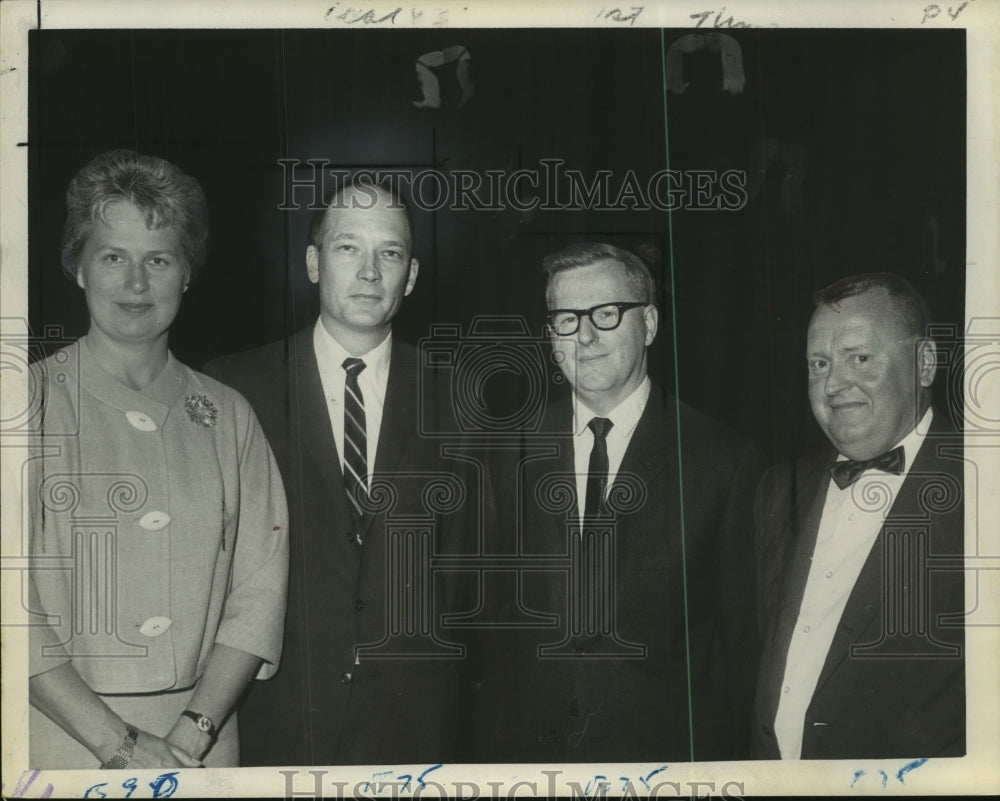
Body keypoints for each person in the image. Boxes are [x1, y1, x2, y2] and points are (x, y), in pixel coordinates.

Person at [27, 149, 289, 769]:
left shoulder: (229, 415)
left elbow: (259, 592)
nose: (136, 284)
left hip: (200, 745)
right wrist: (117, 744)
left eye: (159, 260)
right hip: (62, 744)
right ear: (79, 267)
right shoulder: (24, 406)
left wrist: (194, 732)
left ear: (186, 273)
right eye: (113, 257)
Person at [204, 179, 473, 765]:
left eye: (390, 253)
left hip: (413, 726)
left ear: (412, 276)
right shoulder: (232, 388)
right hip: (275, 720)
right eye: (348, 247)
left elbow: (466, 579)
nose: (370, 272)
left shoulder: (459, 400)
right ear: (313, 263)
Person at [472, 242, 763, 762]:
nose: (584, 336)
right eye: (566, 319)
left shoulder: (723, 462)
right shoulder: (503, 454)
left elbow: (741, 651)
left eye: (605, 314)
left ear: (648, 324)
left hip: (660, 766)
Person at [752, 273, 965, 759]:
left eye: (860, 358)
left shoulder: (983, 490)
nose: (832, 384)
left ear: (924, 363)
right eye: (819, 363)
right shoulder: (778, 490)